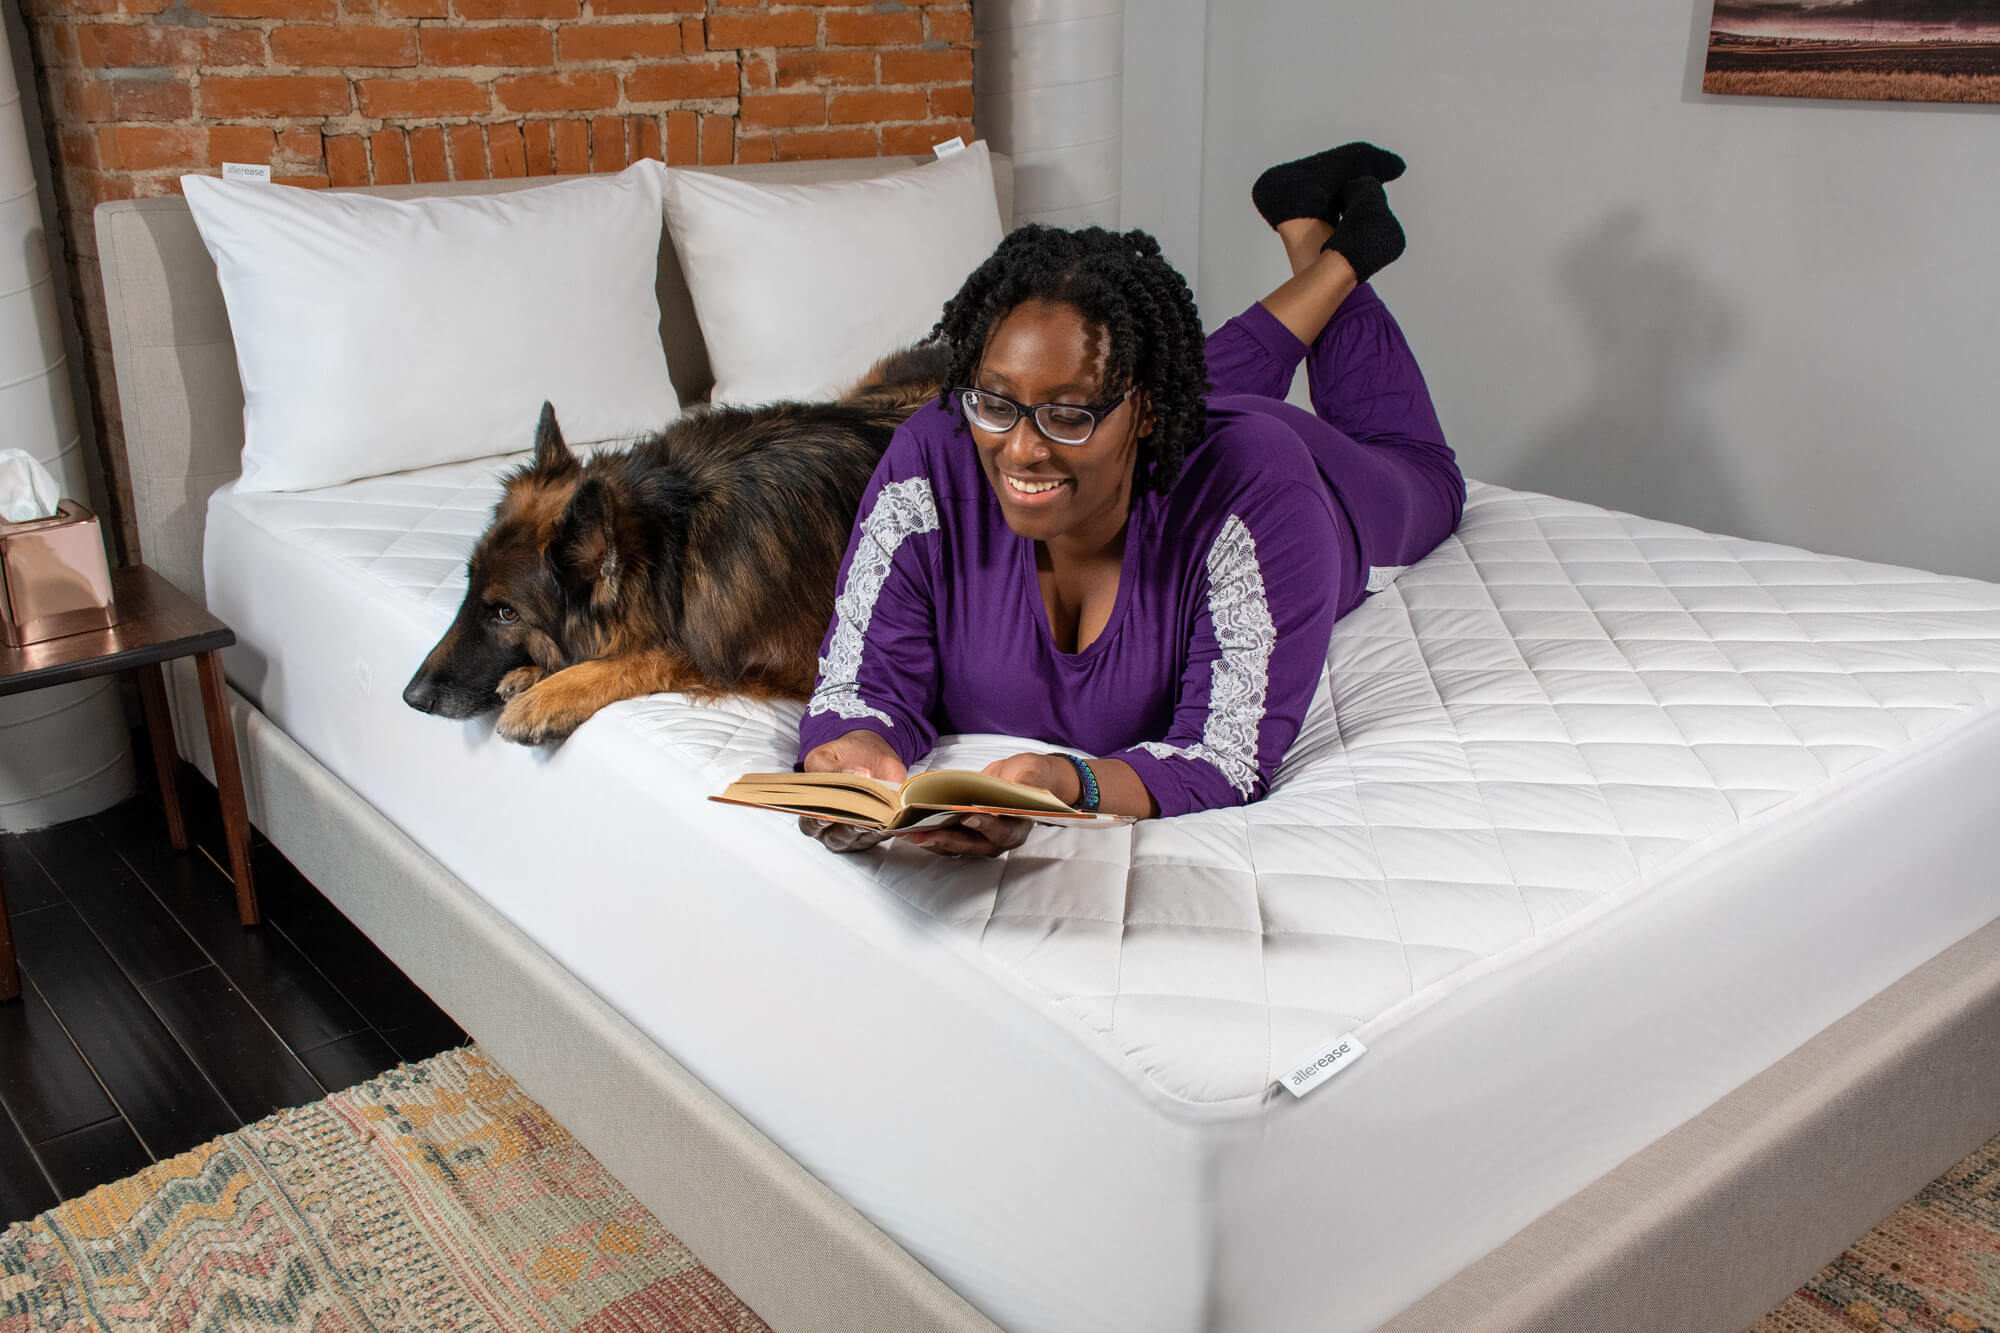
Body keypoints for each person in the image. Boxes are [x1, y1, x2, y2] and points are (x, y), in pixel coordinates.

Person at [797, 142, 1465, 857]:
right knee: (1167, 381)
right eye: (995, 402)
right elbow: (860, 680)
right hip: (1128, 436)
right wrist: (856, 748)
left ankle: (1340, 255)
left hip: (1267, 466)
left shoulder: (1261, 492)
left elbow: (1226, 754)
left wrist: (1070, 783)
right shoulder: (934, 456)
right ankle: (1305, 217)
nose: (1019, 449)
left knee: (1428, 479)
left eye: (1065, 414)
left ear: (1144, 414)